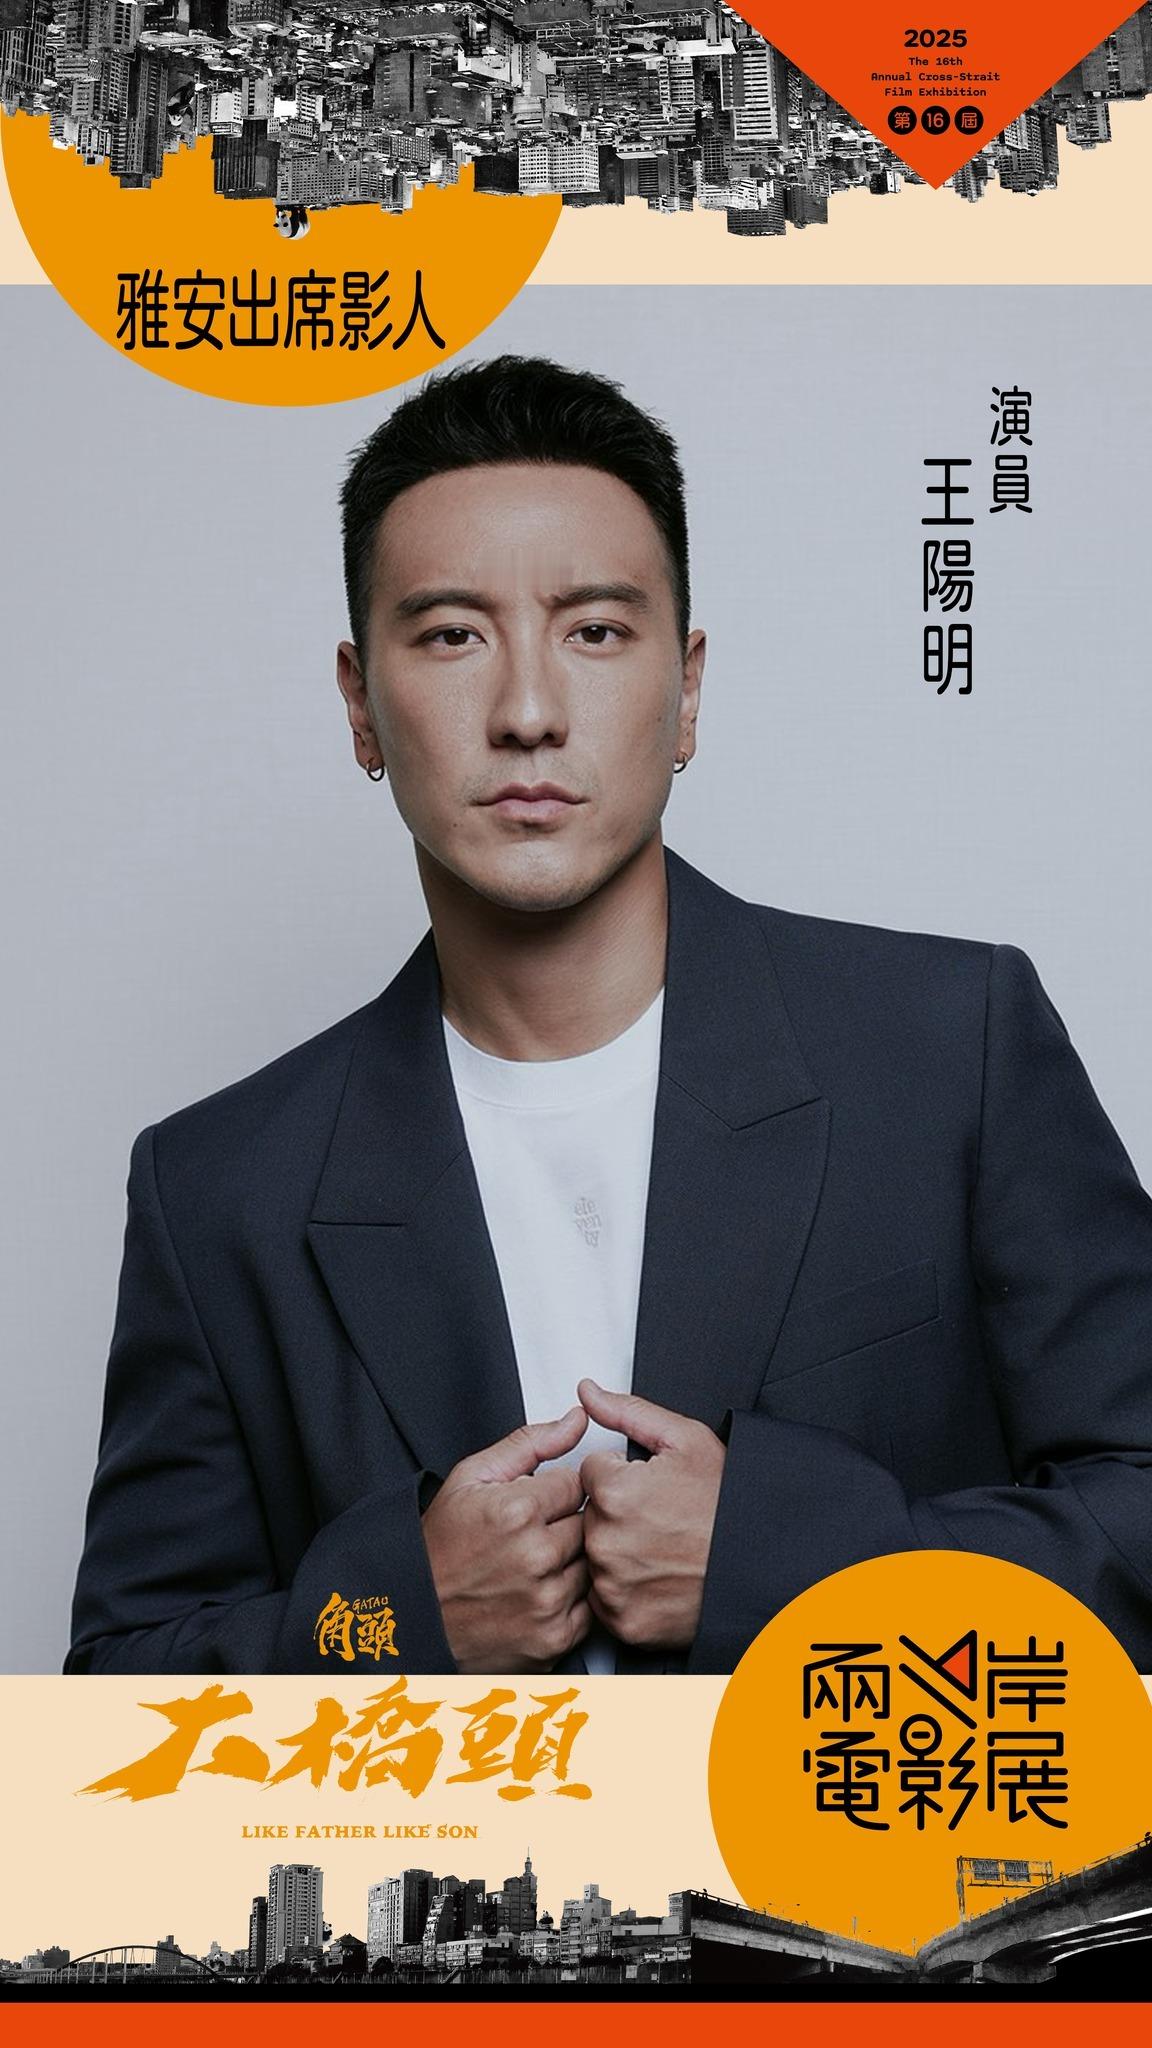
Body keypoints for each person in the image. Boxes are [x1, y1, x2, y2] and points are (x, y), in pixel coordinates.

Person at [66, 355, 1152, 1678]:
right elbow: (118, 1686)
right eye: (452, 636)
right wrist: (402, 1615)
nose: (528, 714)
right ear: (361, 705)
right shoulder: (219, 1186)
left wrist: (794, 1568)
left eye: (593, 632)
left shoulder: (949, 1050)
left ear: (686, 690)